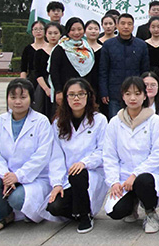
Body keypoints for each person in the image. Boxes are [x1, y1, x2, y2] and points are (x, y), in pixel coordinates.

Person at [0, 79, 53, 231]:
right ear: (7, 98)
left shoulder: (41, 122)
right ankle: (3, 216)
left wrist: (18, 176)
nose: (18, 102)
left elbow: (42, 156)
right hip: (5, 175)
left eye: (23, 97)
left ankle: (28, 211)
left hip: (33, 177)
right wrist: (6, 176)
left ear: (31, 99)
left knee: (17, 199)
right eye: (13, 97)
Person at [103, 76, 159, 233]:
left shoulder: (154, 121)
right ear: (122, 96)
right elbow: (109, 155)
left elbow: (158, 153)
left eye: (137, 93)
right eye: (128, 93)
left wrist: (135, 174)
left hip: (148, 175)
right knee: (115, 211)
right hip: (124, 177)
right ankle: (132, 205)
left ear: (144, 96)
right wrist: (114, 182)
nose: (133, 98)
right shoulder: (115, 122)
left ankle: (150, 213)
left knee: (143, 180)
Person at [44, 78, 108, 233]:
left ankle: (85, 216)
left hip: (91, 173)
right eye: (71, 95)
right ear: (66, 98)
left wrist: (84, 163)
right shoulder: (58, 123)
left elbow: (103, 151)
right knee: (54, 207)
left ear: (88, 96)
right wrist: (57, 183)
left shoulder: (99, 120)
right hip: (67, 176)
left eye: (81, 94)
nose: (76, 98)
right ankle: (77, 211)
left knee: (78, 174)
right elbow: (56, 156)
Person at [99, 14, 150, 119]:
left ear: (133, 26)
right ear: (117, 26)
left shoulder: (141, 45)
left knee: (136, 121)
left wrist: (144, 90)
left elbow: (145, 70)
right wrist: (104, 92)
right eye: (123, 23)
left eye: (129, 24)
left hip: (135, 92)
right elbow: (103, 70)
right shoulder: (108, 45)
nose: (126, 26)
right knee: (116, 121)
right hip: (114, 92)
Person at [50, 17, 97, 108]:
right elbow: (54, 71)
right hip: (66, 92)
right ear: (67, 31)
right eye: (72, 30)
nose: (76, 33)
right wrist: (58, 91)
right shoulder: (60, 48)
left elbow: (93, 72)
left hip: (84, 92)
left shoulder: (88, 49)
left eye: (79, 29)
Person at [33, 22, 62, 117]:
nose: (53, 36)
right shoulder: (40, 52)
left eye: (56, 33)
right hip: (45, 87)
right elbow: (38, 73)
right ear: (45, 34)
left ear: (60, 34)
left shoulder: (65, 51)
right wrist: (46, 89)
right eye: (50, 33)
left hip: (60, 85)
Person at [20, 20, 47, 86]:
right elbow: (23, 69)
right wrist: (23, 84)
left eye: (41, 29)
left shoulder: (50, 47)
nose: (38, 31)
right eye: (35, 29)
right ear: (32, 31)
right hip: (32, 80)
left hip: (47, 79)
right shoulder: (28, 49)